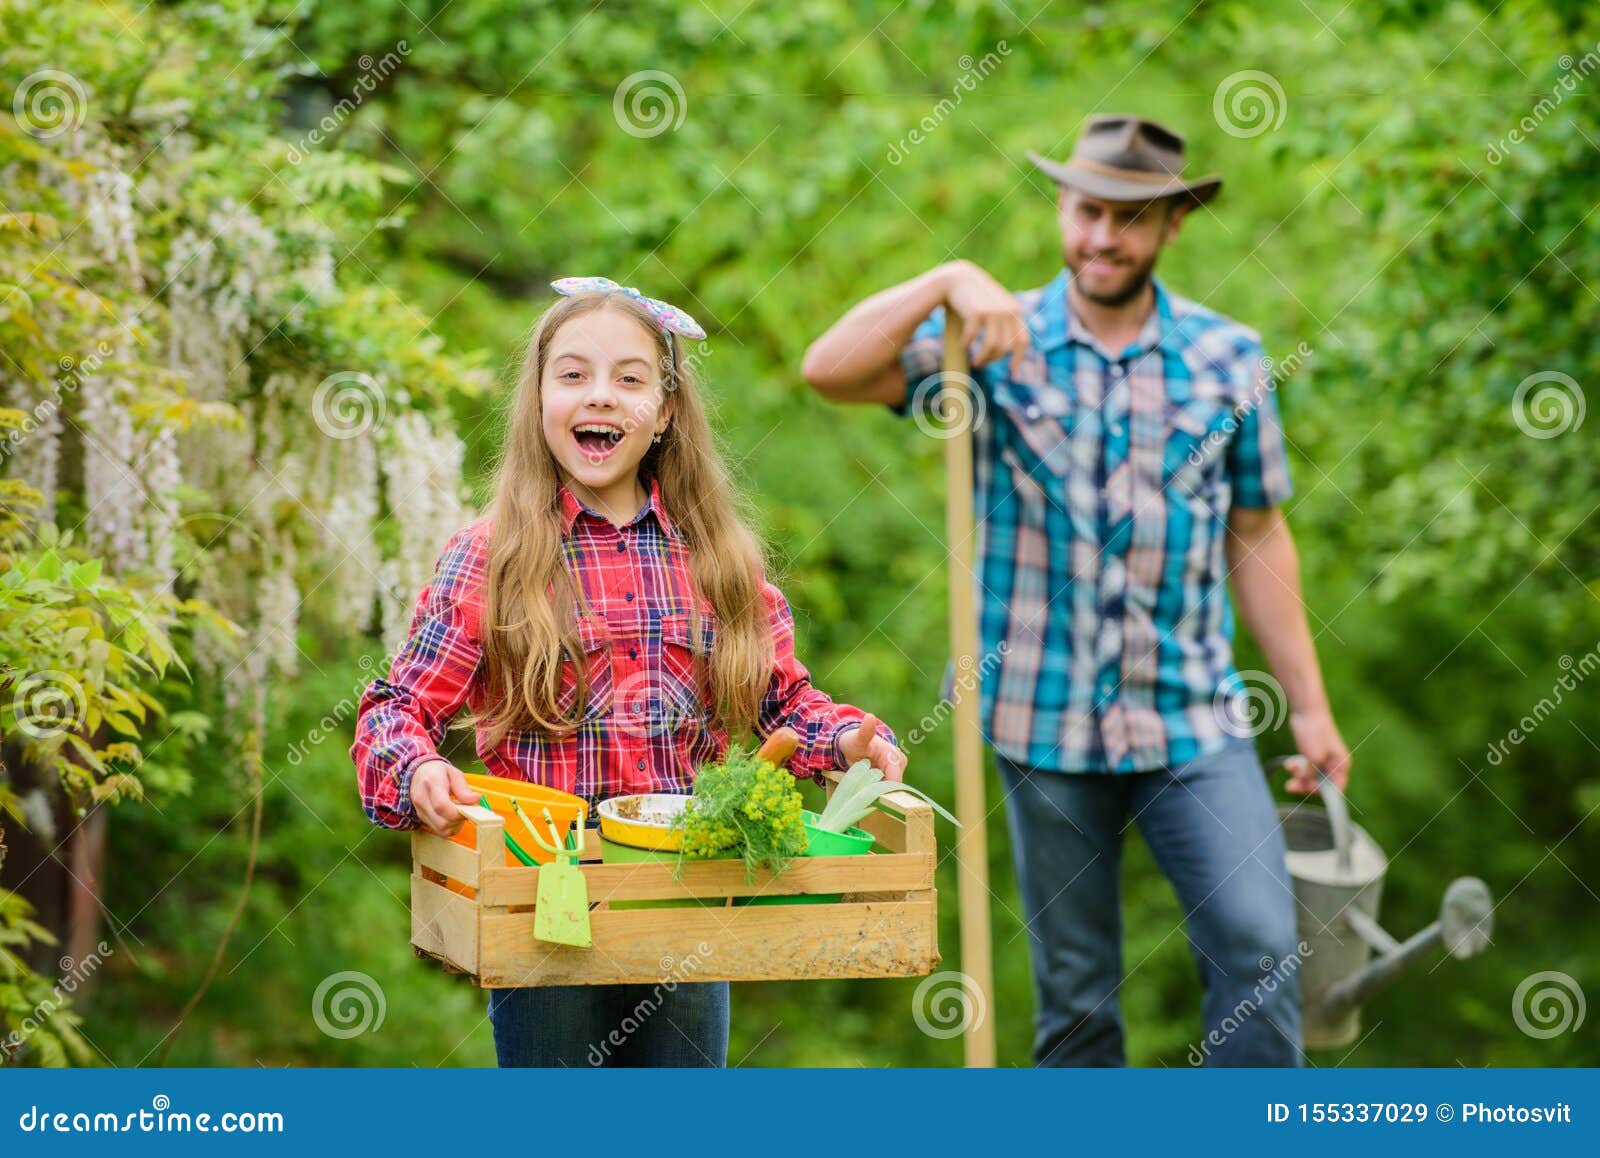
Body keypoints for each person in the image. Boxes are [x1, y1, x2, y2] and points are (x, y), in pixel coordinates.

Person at [802, 115, 1351, 1067]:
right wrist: (942, 282)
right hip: (1038, 716)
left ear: (1172, 224)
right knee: (1079, 998)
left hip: (1191, 714)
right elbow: (830, 370)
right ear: (1063, 207)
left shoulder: (1228, 358)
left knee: (1262, 946)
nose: (1104, 237)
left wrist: (1308, 706)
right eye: (1088, 211)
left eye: (1130, 219)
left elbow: (1256, 534)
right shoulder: (990, 341)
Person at [352, 276, 907, 1067]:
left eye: (630, 378)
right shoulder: (491, 557)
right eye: (572, 374)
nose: (600, 396)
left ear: (667, 411)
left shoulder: (715, 558)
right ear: (539, 398)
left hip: (684, 891)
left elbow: (787, 703)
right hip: (546, 898)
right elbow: (395, 708)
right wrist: (417, 771)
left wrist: (850, 739)